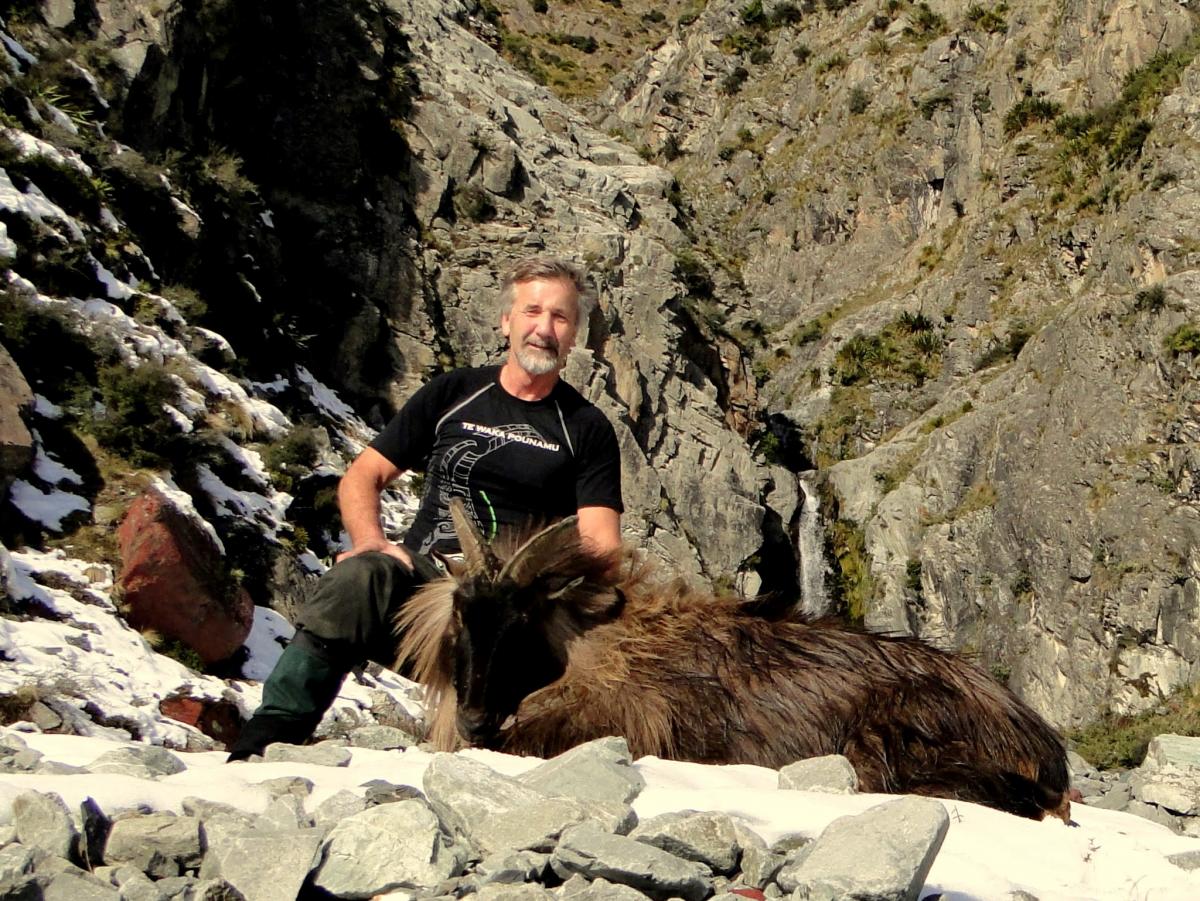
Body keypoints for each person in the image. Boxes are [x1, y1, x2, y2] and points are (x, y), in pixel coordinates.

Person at [227, 256, 624, 760]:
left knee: (508, 623)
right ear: (507, 321)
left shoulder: (585, 428)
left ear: (574, 337)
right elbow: (363, 477)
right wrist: (371, 541)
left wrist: (548, 591)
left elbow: (601, 546)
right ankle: (266, 741)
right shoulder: (454, 394)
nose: (543, 329)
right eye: (532, 312)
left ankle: (490, 749)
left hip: (514, 608)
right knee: (359, 578)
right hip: (429, 586)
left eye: (560, 318)